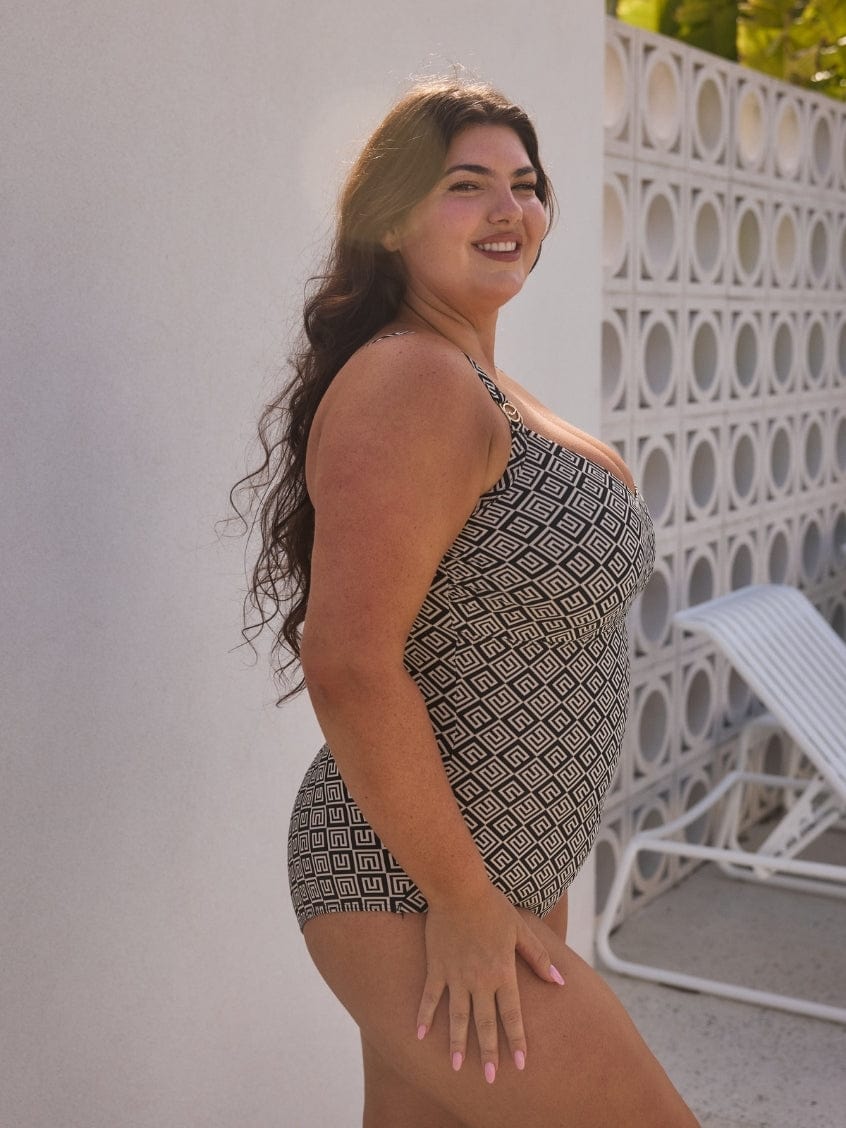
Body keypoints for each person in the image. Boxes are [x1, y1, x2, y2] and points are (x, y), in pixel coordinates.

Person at [236, 77, 698, 1127]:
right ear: (392, 218)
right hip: (417, 886)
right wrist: (461, 899)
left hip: (496, 879)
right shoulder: (415, 380)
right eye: (468, 185)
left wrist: (494, 894)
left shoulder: (474, 378)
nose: (510, 210)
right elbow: (348, 658)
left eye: (527, 186)